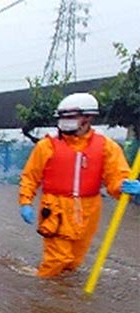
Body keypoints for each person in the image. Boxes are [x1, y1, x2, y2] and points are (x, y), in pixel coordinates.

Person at [19, 92, 139, 278]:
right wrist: (26, 201)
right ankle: (44, 295)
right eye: (63, 117)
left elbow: (115, 178)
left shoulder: (107, 146)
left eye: (71, 117)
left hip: (88, 209)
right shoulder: (46, 145)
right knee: (57, 259)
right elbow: (30, 176)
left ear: (88, 117)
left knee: (73, 262)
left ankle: (59, 292)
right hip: (55, 208)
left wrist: (124, 186)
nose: (66, 121)